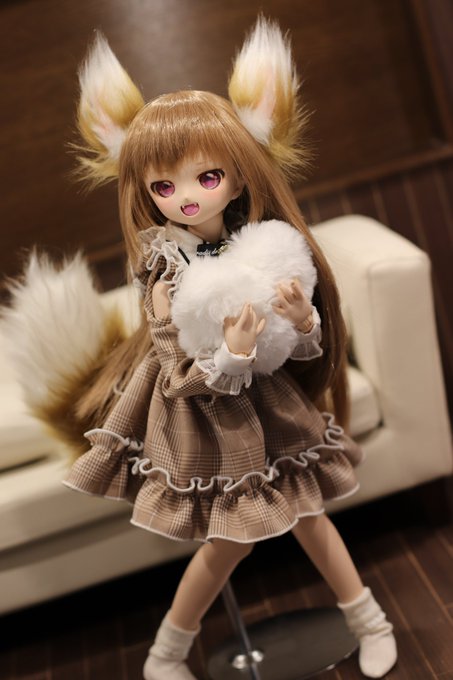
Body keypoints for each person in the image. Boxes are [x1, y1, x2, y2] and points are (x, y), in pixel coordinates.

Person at [9, 17, 398, 680]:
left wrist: (301, 321)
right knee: (226, 545)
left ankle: (371, 622)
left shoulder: (263, 247)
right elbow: (175, 376)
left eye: (206, 177)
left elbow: (302, 354)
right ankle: (165, 653)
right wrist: (235, 354)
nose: (186, 198)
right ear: (144, 192)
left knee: (309, 518)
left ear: (239, 179)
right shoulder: (163, 271)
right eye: (164, 187)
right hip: (210, 422)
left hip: (269, 409)